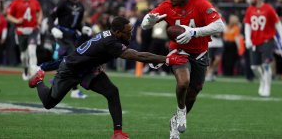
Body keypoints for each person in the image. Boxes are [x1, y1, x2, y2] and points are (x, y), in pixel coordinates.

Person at [28, 16, 188, 139]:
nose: (130, 34)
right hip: (70, 70)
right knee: (49, 103)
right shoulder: (111, 42)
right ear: (118, 32)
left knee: (112, 92)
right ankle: (38, 81)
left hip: (88, 69)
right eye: (128, 32)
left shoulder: (113, 36)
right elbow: (138, 56)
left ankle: (117, 132)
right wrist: (166, 59)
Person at [141, 0, 225, 139]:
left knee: (193, 92)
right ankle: (180, 111)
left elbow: (219, 26)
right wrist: (148, 20)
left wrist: (193, 32)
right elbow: (145, 24)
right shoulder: (167, 5)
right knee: (183, 82)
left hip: (200, 52)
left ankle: (176, 119)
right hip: (178, 51)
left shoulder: (199, 2)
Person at [41, 0, 92, 99]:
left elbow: (77, 23)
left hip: (73, 36)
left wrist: (83, 28)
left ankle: (49, 73)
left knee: (66, 61)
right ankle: (73, 89)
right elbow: (51, 17)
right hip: (62, 35)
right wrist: (53, 28)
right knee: (73, 60)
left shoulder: (80, 6)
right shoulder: (63, 3)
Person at [243, 0, 282, 97]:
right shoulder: (250, 9)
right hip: (254, 41)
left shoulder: (268, 9)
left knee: (266, 64)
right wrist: (248, 38)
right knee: (254, 67)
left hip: (267, 40)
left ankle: (267, 86)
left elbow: (277, 23)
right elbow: (247, 25)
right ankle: (262, 80)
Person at [6, 0, 43, 80]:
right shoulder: (15, 2)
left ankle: (34, 74)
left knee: (32, 51)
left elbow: (39, 12)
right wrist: (16, 21)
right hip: (21, 31)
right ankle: (26, 69)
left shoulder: (34, 1)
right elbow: (9, 16)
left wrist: (39, 20)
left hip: (33, 30)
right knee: (23, 55)